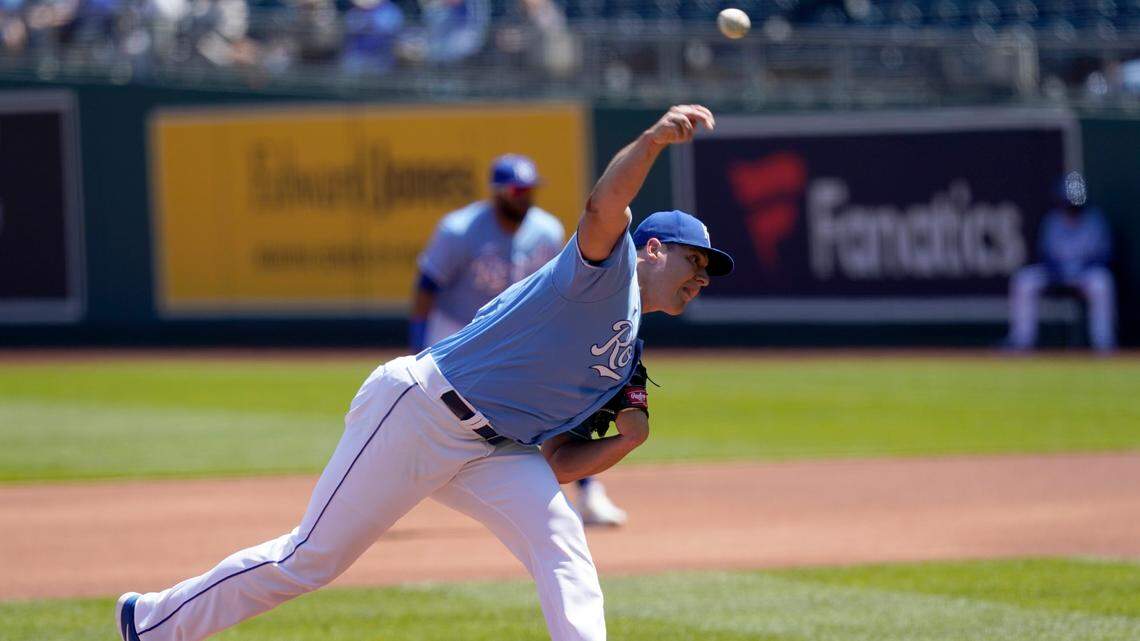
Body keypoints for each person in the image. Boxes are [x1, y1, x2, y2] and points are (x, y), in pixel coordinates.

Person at [115, 104, 731, 641]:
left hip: (492, 448)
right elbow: (604, 204)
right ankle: (151, 622)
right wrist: (651, 141)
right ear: (652, 249)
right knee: (310, 560)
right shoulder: (605, 273)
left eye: (709, 270)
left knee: (561, 543)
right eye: (694, 260)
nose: (702, 277)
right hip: (420, 409)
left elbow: (557, 462)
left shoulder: (624, 354)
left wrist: (626, 441)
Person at [411, 153, 629, 526]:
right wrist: (418, 346)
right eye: (516, 190)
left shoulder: (545, 230)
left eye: (529, 189)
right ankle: (395, 484)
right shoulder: (459, 230)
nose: (524, 196)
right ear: (497, 192)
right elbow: (427, 288)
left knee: (559, 401)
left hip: (513, 329)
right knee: (424, 411)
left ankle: (589, 493)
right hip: (456, 327)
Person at [1006, 171, 1116, 352]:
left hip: (1085, 275)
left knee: (1102, 282)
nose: (1070, 204)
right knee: (1024, 280)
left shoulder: (1094, 221)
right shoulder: (1053, 220)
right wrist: (1056, 273)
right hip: (1056, 274)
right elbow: (1044, 254)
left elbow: (1104, 256)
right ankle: (1021, 340)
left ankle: (1104, 344)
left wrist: (1080, 271)